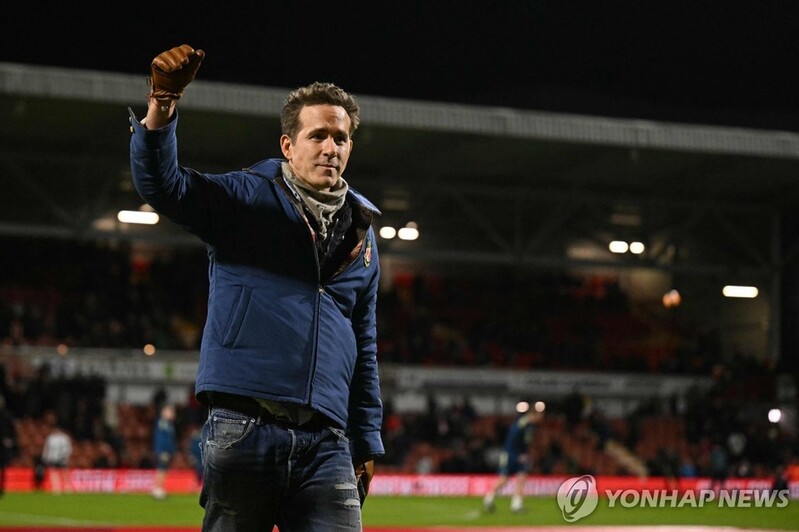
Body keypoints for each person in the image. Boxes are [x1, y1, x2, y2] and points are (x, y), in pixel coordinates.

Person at [129, 44, 384, 531]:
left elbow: (364, 344)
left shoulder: (363, 233)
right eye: (318, 135)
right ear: (288, 145)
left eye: (341, 138)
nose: (331, 147)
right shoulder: (247, 197)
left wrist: (366, 439)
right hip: (245, 429)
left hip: (328, 442)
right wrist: (162, 104)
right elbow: (165, 186)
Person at [483, 401, 544, 514]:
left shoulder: (530, 426)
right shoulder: (522, 423)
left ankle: (516, 505)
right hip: (510, 454)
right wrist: (519, 453)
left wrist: (524, 454)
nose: (541, 417)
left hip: (521, 455)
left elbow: (526, 442)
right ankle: (489, 498)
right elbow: (513, 439)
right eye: (540, 415)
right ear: (534, 414)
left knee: (522, 478)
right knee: (503, 479)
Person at [151, 404, 177, 500]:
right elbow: (161, 439)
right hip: (163, 450)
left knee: (163, 469)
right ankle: (158, 488)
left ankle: (159, 488)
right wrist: (162, 451)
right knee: (161, 469)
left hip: (166, 450)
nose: (172, 414)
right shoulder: (163, 423)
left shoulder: (168, 424)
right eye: (170, 412)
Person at [41, 422, 72, 494]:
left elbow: (68, 448)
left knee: (64, 473)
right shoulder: (50, 438)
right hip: (52, 458)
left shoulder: (65, 438)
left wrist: (65, 456)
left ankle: (67, 487)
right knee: (54, 474)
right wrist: (45, 457)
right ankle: (56, 487)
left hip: (62, 458)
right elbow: (47, 448)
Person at [0, 395, 19, 495]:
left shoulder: (7, 416)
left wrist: (10, 440)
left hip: (3, 448)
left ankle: (2, 487)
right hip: (3, 446)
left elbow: (12, 432)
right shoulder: (7, 416)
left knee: (3, 467)